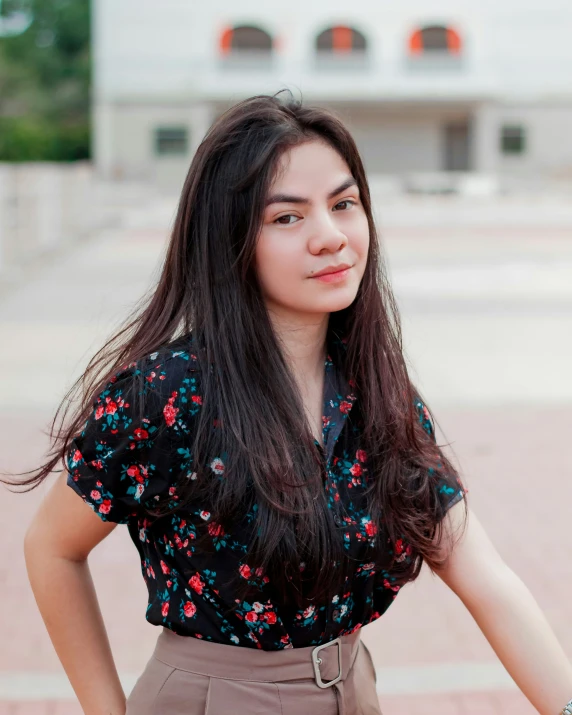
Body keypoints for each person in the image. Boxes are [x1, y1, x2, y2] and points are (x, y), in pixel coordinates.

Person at [8, 91, 572, 715]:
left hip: (352, 692)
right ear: (229, 241)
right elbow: (53, 547)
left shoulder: (377, 391)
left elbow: (483, 575)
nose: (331, 238)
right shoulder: (169, 393)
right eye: (287, 217)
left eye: (343, 204)